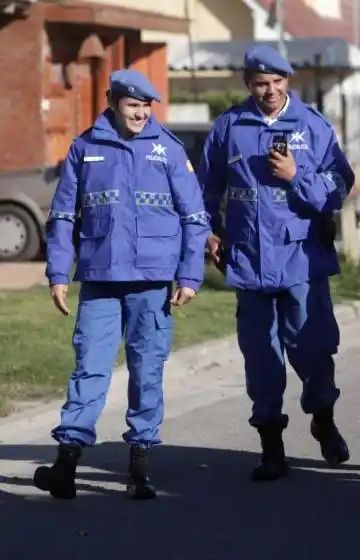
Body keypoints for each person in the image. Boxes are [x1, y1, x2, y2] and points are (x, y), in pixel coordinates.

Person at [35, 69, 209, 501]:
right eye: (133, 105)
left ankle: (139, 470)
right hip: (99, 279)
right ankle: (66, 467)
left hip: (151, 284)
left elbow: (195, 218)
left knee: (146, 372)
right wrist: (58, 272)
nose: (141, 113)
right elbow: (62, 217)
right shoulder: (84, 148)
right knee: (89, 369)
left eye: (147, 106)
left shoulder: (167, 150)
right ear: (112, 101)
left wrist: (189, 275)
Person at [198, 45, 355, 482]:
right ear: (249, 84)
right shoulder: (230, 126)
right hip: (248, 260)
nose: (269, 90)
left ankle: (323, 416)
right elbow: (204, 188)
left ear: (289, 82)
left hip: (302, 258)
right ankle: (271, 447)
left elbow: (340, 184)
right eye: (261, 83)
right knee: (261, 356)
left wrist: (296, 177)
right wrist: (209, 231)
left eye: (277, 82)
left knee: (314, 349)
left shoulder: (313, 126)